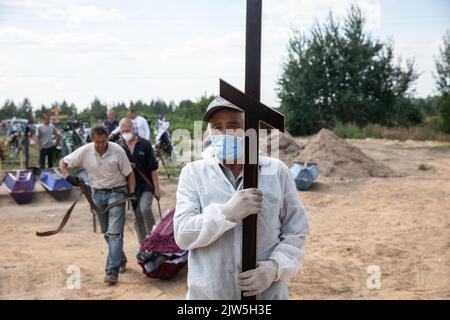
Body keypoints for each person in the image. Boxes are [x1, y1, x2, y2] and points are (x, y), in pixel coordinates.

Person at [174, 97, 309, 299]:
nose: (224, 133)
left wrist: (273, 268)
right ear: (209, 132)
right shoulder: (193, 173)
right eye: (217, 127)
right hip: (210, 296)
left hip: (266, 296)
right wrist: (225, 213)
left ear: (249, 130)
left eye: (233, 125)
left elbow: (296, 231)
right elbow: (183, 234)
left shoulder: (277, 171)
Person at [59, 125, 136, 285]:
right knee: (107, 233)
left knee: (115, 234)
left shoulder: (117, 151)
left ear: (107, 138)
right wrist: (67, 177)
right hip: (97, 195)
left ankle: (111, 271)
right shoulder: (85, 151)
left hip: (117, 193)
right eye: (97, 142)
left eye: (103, 141)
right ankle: (119, 258)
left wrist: (132, 193)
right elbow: (63, 162)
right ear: (92, 140)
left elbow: (130, 174)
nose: (101, 145)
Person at [117, 118, 161, 244]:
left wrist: (156, 189)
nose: (126, 133)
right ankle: (143, 244)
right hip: (130, 188)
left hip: (146, 184)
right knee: (137, 217)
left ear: (133, 129)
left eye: (128, 130)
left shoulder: (145, 144)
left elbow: (153, 169)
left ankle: (153, 238)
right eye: (123, 131)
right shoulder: (119, 147)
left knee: (145, 209)